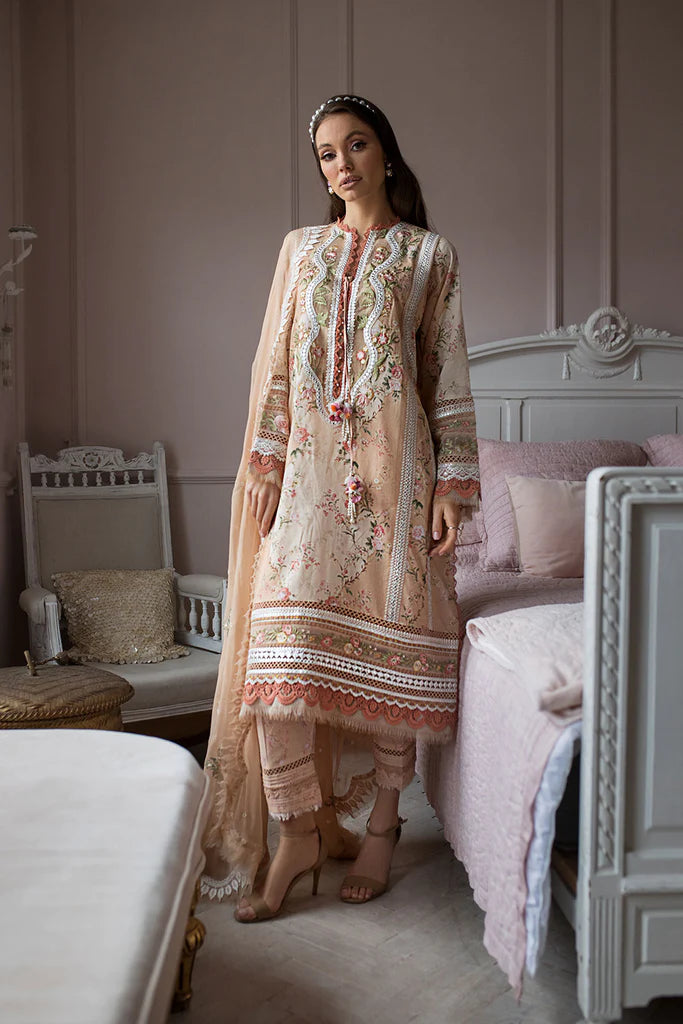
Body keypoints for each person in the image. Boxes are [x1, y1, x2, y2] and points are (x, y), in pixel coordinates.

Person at [201, 94, 479, 921]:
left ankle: (383, 825)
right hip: (306, 476)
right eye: (326, 153)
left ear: (384, 153)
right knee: (277, 656)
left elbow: (445, 376)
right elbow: (279, 365)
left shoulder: (428, 255)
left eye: (355, 145)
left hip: (396, 478)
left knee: (391, 650)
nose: (341, 163)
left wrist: (451, 486)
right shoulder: (302, 249)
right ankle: (296, 832)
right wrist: (263, 458)